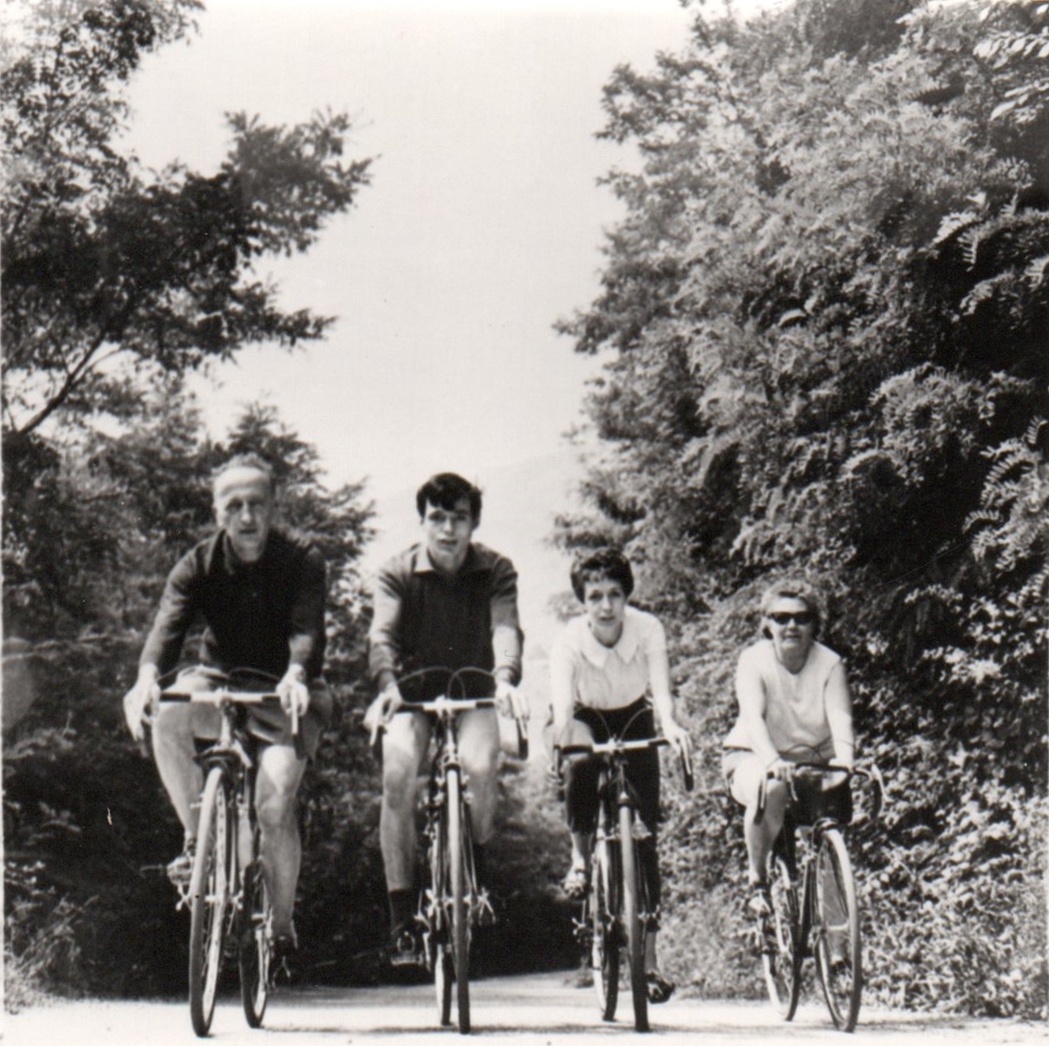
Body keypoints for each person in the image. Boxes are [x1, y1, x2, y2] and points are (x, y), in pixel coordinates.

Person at [122, 453, 331, 962]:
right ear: (218, 512)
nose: (246, 517)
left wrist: (298, 673)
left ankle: (280, 926)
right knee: (168, 713)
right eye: (233, 505)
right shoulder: (198, 563)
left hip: (285, 690)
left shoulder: (302, 559)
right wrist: (146, 678)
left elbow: (307, 627)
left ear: (272, 507)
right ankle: (199, 842)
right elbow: (169, 625)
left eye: (256, 504)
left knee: (274, 805)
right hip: (220, 684)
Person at [363, 472, 526, 964]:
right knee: (397, 775)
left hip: (476, 690)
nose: (447, 529)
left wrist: (506, 679)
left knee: (480, 767)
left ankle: (475, 865)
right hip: (410, 693)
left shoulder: (496, 568)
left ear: (474, 523)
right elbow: (381, 637)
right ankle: (400, 916)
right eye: (437, 518)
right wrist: (386, 685)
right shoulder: (397, 572)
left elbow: (506, 627)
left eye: (458, 518)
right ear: (422, 522)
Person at [548, 547, 690, 1004]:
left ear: (626, 595)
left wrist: (671, 726)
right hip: (587, 715)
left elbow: (661, 694)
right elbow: (563, 702)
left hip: (634, 716)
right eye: (594, 597)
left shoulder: (648, 628)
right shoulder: (570, 638)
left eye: (614, 594)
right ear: (582, 602)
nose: (606, 606)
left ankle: (649, 963)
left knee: (645, 838)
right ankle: (579, 860)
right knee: (580, 763)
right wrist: (563, 740)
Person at [722, 578, 854, 916]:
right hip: (754, 754)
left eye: (801, 617)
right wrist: (771, 760)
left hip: (813, 758)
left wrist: (846, 760)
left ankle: (838, 954)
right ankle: (757, 881)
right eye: (781, 618)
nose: (791, 625)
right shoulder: (754, 661)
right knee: (773, 787)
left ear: (814, 623)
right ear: (767, 623)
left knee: (830, 840)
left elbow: (840, 717)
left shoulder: (830, 664)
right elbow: (753, 719)